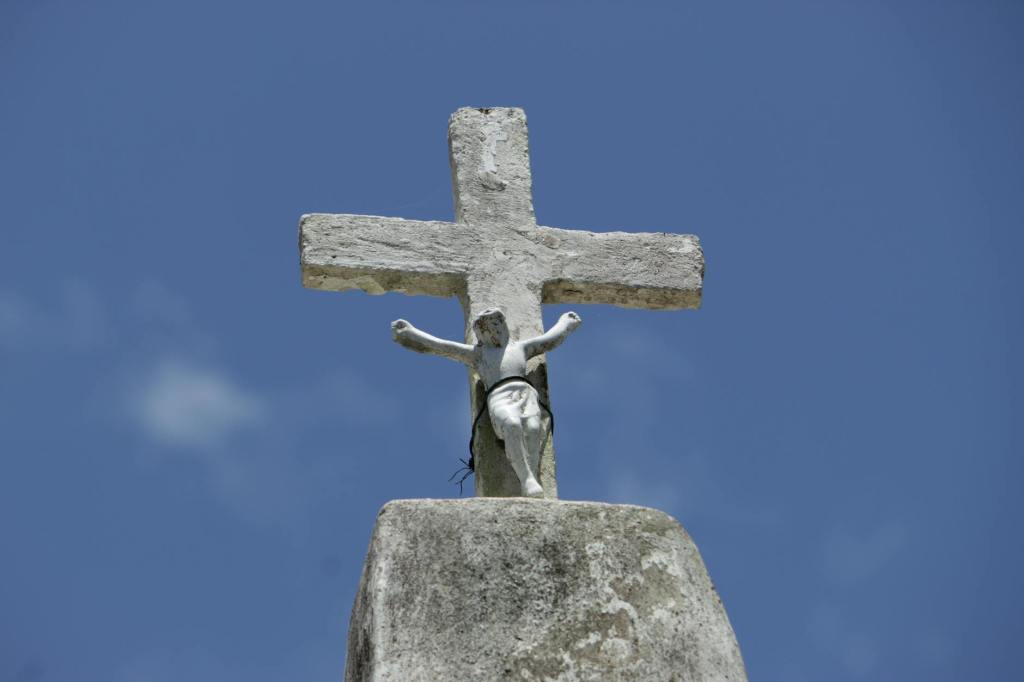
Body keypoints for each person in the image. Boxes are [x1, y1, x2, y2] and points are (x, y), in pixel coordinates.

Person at [391, 308, 582, 497]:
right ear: (482, 334)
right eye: (488, 329)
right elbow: (441, 346)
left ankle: (531, 475)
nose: (495, 331)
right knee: (512, 424)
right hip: (500, 395)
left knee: (533, 429)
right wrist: (411, 333)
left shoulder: (521, 348)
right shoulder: (478, 354)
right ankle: (526, 479)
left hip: (526, 394)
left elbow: (549, 340)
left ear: (504, 326)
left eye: (497, 325)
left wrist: (565, 323)